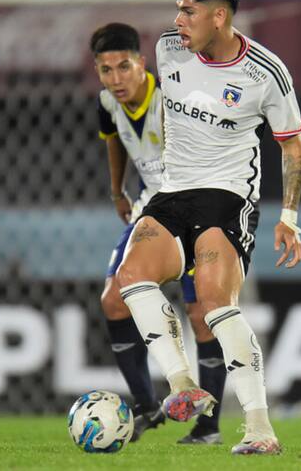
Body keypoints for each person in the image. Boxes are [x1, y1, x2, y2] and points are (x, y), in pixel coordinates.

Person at [116, 0, 301, 456]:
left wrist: (289, 215)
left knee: (216, 303)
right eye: (178, 9)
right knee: (130, 278)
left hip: (227, 196)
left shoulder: (265, 73)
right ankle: (183, 387)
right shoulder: (167, 48)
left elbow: (293, 147)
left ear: (219, 17)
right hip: (173, 192)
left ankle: (260, 429)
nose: (179, 20)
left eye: (189, 11)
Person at [91, 23, 227, 444]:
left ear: (141, 63)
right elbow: (114, 138)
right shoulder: (107, 104)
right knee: (114, 303)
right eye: (106, 70)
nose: (116, 79)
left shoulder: (171, 98)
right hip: (147, 209)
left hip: (189, 213)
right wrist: (117, 189)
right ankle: (147, 407)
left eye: (123, 67)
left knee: (202, 317)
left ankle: (208, 426)